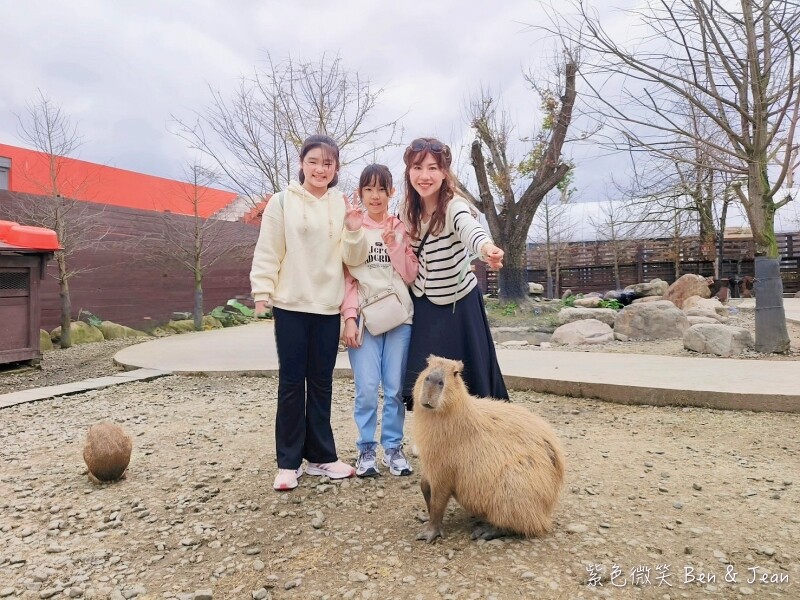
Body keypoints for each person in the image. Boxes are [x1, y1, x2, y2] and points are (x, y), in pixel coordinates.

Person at [251, 134, 368, 491]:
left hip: (327, 306)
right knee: (291, 382)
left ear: (336, 169)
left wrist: (352, 229)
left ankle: (321, 456)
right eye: (314, 161)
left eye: (328, 163)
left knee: (321, 382)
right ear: (302, 163)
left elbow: (354, 259)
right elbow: (269, 248)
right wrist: (262, 290)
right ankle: (288, 462)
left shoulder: (341, 204)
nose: (321, 168)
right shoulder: (282, 201)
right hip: (290, 305)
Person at [400, 137, 509, 403]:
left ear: (444, 173)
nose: (424, 176)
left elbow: (469, 229)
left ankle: (479, 437)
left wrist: (486, 249)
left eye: (432, 168)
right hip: (423, 305)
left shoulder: (453, 205)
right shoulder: (407, 210)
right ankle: (434, 440)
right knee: (425, 382)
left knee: (469, 383)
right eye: (417, 168)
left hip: (457, 305)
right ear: (408, 172)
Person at [340, 164, 419, 477]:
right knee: (367, 388)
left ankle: (393, 448)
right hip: (364, 320)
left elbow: (411, 274)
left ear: (391, 192)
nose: (375, 196)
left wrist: (394, 245)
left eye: (381, 189)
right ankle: (365, 449)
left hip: (400, 319)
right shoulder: (352, 226)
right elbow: (346, 277)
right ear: (360, 193)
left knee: (395, 388)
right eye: (369, 189)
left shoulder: (401, 228)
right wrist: (348, 317)